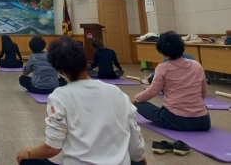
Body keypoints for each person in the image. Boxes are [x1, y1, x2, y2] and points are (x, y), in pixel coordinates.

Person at [15, 37, 147, 165]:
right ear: (85, 61)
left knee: (27, 160)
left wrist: (29, 153)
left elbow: (52, 148)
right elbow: (135, 143)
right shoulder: (117, 92)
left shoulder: (59, 96)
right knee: (138, 161)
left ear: (60, 70)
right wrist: (139, 159)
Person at [133, 31, 210, 132]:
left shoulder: (162, 68)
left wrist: (135, 98)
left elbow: (153, 91)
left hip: (176, 119)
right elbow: (203, 92)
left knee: (139, 104)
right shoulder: (197, 65)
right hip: (203, 121)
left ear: (162, 51)